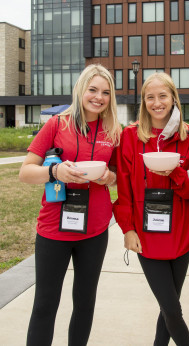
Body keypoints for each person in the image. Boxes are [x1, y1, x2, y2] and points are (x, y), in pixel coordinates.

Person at [19, 64, 121, 346]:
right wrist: (54, 172)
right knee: (44, 305)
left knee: (85, 303)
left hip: (95, 230)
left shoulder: (113, 131)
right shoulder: (56, 124)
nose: (98, 97)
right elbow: (25, 172)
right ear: (81, 90)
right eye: (92, 90)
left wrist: (109, 177)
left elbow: (117, 176)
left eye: (105, 92)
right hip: (54, 229)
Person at [113, 72, 189, 346]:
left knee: (168, 306)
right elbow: (125, 191)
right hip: (146, 234)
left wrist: (175, 173)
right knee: (172, 308)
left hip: (181, 231)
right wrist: (127, 229)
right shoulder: (130, 137)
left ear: (173, 98)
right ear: (143, 101)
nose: (157, 102)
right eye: (150, 97)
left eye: (162, 96)